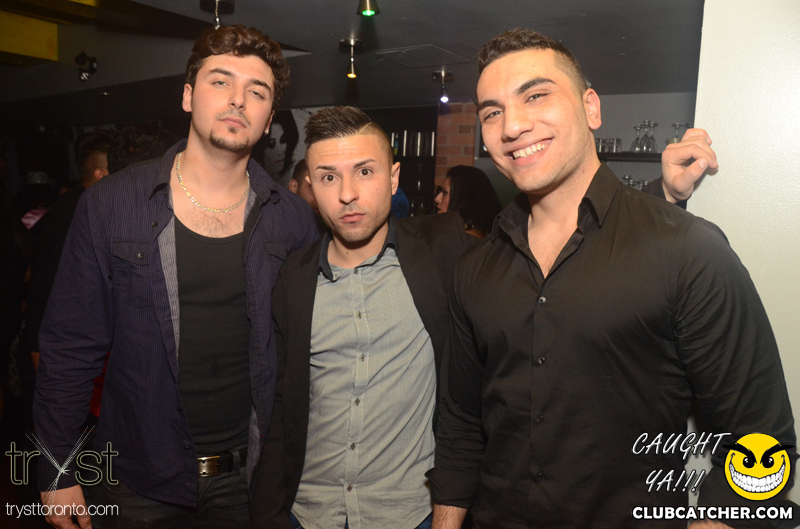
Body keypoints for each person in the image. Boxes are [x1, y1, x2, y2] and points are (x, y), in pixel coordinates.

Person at [428, 28, 795, 529]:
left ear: (591, 109)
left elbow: (765, 443)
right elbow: (460, 428)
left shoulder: (687, 250)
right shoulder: (474, 269)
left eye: (536, 96)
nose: (512, 125)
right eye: (492, 112)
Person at [33, 24, 318, 529]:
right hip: (136, 482)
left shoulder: (292, 220)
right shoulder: (111, 205)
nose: (238, 100)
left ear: (269, 117)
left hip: (248, 483)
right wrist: (57, 470)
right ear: (188, 96)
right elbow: (69, 348)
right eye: (220, 82)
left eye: (257, 92)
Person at [250, 106, 473, 529]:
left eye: (365, 172)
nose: (347, 194)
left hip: (410, 514)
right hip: (308, 514)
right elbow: (277, 405)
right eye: (329, 177)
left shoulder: (443, 253)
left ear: (393, 178)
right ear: (310, 186)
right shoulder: (292, 279)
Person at [434, 165, 502, 238]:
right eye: (439, 191)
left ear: (464, 198)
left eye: (445, 192)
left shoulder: (466, 238)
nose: (437, 199)